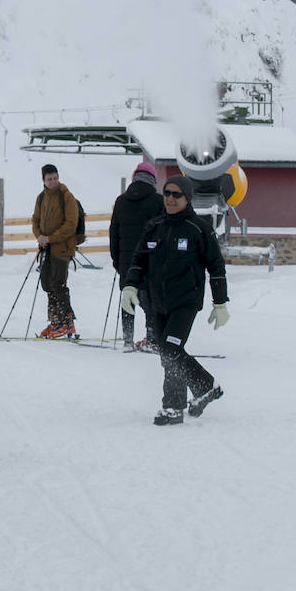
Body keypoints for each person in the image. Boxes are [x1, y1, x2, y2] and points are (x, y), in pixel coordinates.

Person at [121, 174, 230, 425]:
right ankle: (173, 406)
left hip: (185, 302)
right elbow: (139, 260)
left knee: (170, 349)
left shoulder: (198, 228)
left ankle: (205, 385)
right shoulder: (154, 226)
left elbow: (216, 266)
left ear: (187, 197)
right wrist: (130, 287)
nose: (170, 198)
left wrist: (220, 302)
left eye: (176, 194)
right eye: (167, 193)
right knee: (167, 353)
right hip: (158, 301)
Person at [109, 162, 164, 352]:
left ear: (134, 178)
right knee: (150, 300)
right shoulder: (158, 201)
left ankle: (127, 340)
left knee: (128, 298)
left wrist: (116, 260)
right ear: (153, 180)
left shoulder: (121, 201)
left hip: (126, 261)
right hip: (150, 260)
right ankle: (152, 339)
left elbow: (113, 233)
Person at [30, 163, 81, 339]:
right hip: (47, 249)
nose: (53, 181)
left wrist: (50, 238)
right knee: (47, 283)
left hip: (62, 248)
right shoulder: (41, 197)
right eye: (49, 179)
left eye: (55, 178)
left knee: (58, 284)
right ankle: (55, 321)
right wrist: (39, 237)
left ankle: (67, 322)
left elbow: (71, 225)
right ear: (43, 180)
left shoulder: (66, 197)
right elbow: (35, 220)